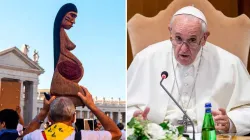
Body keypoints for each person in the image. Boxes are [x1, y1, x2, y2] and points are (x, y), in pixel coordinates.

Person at [127, 6, 250, 135]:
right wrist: (136, 120)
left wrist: (230, 123)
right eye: (178, 39)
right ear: (170, 33)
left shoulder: (230, 63)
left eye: (192, 40)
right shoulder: (146, 59)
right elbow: (128, 107)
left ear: (204, 38)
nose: (184, 49)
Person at [22, 86, 121, 139]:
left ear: (49, 118)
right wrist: (92, 106)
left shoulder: (35, 136)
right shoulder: (87, 137)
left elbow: (23, 137)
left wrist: (43, 111)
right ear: (74, 117)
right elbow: (116, 133)